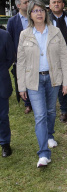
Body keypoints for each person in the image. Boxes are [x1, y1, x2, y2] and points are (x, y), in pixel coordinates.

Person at [17, 0, 67, 167]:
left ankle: (49, 135)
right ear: (30, 14)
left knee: (51, 111)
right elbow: (21, 61)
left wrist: (66, 81)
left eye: (41, 10)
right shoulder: (24, 35)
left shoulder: (55, 32)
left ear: (45, 13)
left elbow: (64, 58)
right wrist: (21, 86)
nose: (39, 13)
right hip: (34, 81)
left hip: (53, 78)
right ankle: (43, 154)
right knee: (40, 115)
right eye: (35, 11)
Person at [7, 0, 32, 114]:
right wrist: (13, 55)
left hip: (34, 53)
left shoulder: (34, 17)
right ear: (18, 6)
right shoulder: (12, 21)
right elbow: (10, 39)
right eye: (25, 2)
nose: (28, 4)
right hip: (21, 55)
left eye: (28, 2)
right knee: (23, 78)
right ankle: (27, 103)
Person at [0, 29, 15, 157]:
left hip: (1, 80)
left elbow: (10, 57)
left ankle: (5, 143)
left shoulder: (4, 35)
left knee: (2, 116)